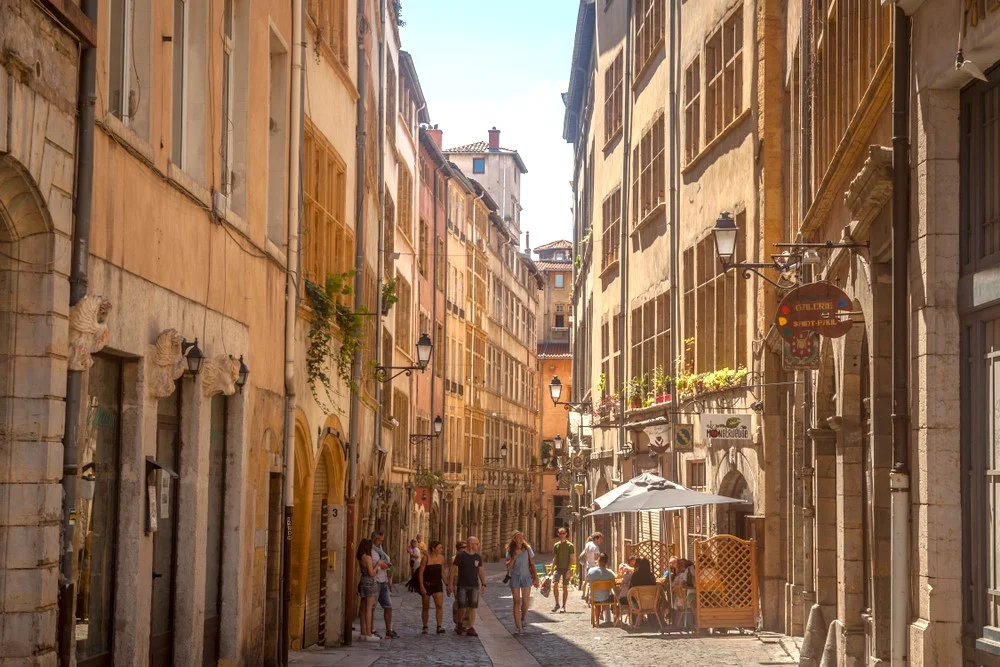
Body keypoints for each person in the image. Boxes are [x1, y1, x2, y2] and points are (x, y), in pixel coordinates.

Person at [448, 535, 486, 637]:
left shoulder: (477, 557)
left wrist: (483, 583)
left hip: (474, 585)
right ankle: (460, 623)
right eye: (477, 544)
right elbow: (452, 569)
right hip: (462, 585)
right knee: (462, 607)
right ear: (471, 545)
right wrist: (450, 584)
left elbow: (480, 570)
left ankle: (470, 627)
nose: (478, 545)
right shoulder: (461, 555)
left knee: (473, 607)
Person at [504, 530, 539, 635]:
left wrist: (536, 577)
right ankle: (517, 626)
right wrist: (514, 556)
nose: (520, 539)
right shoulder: (510, 550)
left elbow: (532, 564)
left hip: (526, 577)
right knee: (516, 602)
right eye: (518, 537)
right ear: (514, 539)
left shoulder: (527, 549)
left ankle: (523, 618)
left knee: (525, 601)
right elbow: (508, 566)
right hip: (515, 577)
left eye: (521, 537)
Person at [370, 530, 398, 638]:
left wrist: (386, 564)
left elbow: (383, 562)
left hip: (383, 581)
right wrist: (384, 565)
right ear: (374, 539)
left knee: (388, 605)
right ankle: (371, 629)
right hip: (375, 581)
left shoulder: (380, 549)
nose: (381, 542)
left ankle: (388, 630)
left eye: (382, 540)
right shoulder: (371, 550)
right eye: (379, 540)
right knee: (372, 607)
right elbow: (375, 565)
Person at [417, 541, 446, 634]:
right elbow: (421, 573)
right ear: (433, 549)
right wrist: (421, 586)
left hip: (437, 584)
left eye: (441, 548)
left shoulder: (441, 558)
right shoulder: (426, 558)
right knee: (426, 606)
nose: (441, 549)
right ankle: (425, 626)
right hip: (427, 584)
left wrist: (447, 584)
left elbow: (442, 572)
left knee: (439, 605)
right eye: (439, 548)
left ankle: (439, 626)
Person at [356, 538, 380, 642]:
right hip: (370, 582)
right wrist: (378, 565)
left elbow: (363, 571)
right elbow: (371, 573)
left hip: (363, 581)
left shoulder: (361, 557)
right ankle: (369, 634)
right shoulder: (368, 558)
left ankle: (363, 632)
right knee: (369, 608)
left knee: (362, 607)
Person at [586, 552, 617, 624]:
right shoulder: (610, 574)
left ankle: (597, 620)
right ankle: (615, 618)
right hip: (606, 598)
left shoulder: (591, 571)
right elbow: (614, 585)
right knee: (613, 597)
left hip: (593, 597)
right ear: (606, 562)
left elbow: (588, 580)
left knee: (597, 599)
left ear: (598, 560)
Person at [551, 528, 575, 612]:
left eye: (563, 533)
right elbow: (555, 557)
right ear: (558, 534)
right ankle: (557, 604)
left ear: (566, 534)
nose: (561, 535)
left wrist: (569, 570)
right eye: (560, 533)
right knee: (555, 585)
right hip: (558, 568)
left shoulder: (570, 545)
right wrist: (551, 569)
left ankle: (563, 606)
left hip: (566, 569)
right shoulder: (556, 545)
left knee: (565, 587)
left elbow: (572, 559)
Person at [579, 532, 603, 601]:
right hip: (594, 567)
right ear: (596, 539)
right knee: (592, 583)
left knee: (587, 580)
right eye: (600, 539)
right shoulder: (596, 547)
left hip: (588, 565)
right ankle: (590, 597)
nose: (601, 541)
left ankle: (583, 594)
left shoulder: (588, 544)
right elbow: (596, 559)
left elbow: (586, 555)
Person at [450, 540, 467, 628]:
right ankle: (457, 622)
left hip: (466, 580)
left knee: (465, 603)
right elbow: (451, 571)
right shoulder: (454, 558)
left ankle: (463, 622)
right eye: (463, 547)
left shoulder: (468, 557)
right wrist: (449, 584)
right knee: (459, 601)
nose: (464, 549)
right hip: (457, 580)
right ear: (458, 549)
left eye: (465, 547)